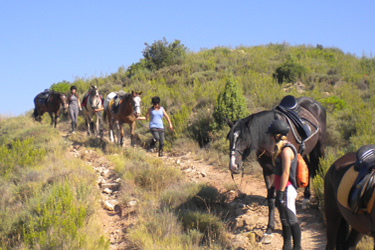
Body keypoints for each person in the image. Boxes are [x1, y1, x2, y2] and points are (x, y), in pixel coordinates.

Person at [266, 119, 302, 250]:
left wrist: (280, 192)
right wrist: (274, 189)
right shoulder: (280, 149)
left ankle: (297, 247)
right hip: (281, 188)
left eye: (272, 134)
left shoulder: (286, 150)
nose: (270, 137)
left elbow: (286, 173)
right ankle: (286, 246)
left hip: (287, 189)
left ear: (278, 135)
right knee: (284, 220)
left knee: (291, 219)